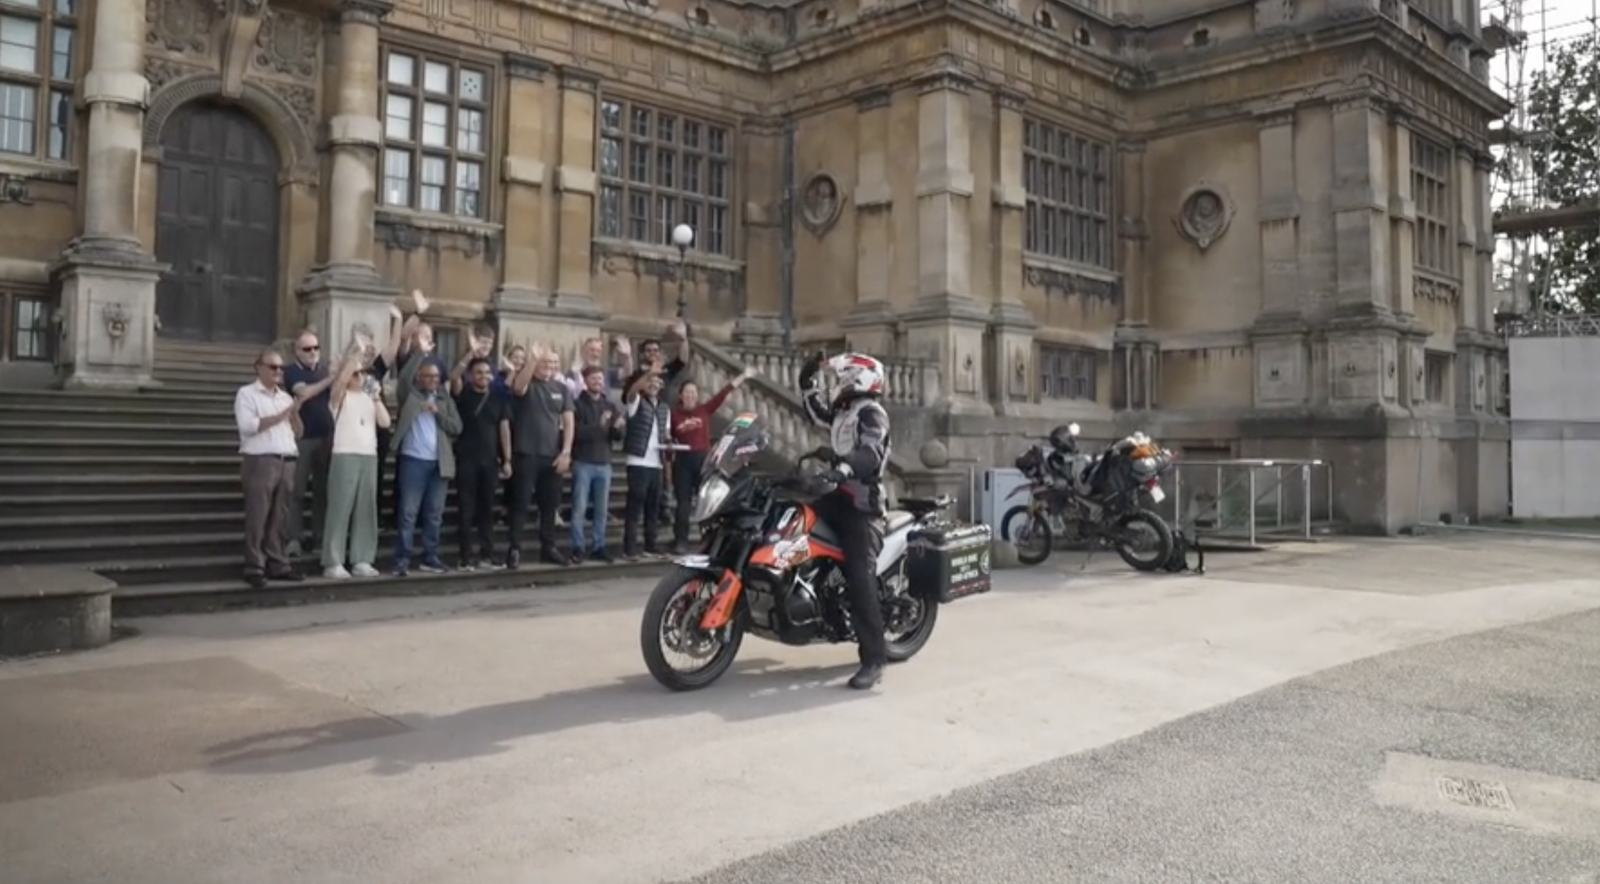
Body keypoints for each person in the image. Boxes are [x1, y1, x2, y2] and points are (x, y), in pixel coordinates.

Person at [799, 351, 893, 691]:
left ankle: (874, 658)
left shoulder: (872, 413)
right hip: (836, 498)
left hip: (862, 505)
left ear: (859, 378)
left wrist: (841, 470)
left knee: (859, 577)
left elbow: (870, 453)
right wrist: (807, 381)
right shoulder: (845, 412)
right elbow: (817, 415)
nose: (837, 383)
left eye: (842, 377)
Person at [234, 348, 304, 589]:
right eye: (273, 367)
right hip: (260, 460)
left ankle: (278, 563)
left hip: (287, 459)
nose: (278, 372)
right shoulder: (247, 394)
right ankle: (254, 565)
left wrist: (295, 415)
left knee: (280, 516)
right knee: (258, 515)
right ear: (259, 368)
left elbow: (298, 432)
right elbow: (248, 426)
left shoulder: (285, 397)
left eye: (281, 368)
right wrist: (280, 415)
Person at [391, 354, 463, 576]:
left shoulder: (444, 399)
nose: (433, 380)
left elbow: (457, 427)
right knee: (408, 512)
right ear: (419, 378)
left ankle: (430, 556)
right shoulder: (410, 396)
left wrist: (437, 412)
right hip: (413, 461)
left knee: (434, 513)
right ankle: (402, 558)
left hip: (439, 463)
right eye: (428, 376)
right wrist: (419, 353)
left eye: (436, 376)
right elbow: (404, 378)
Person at [321, 355, 390, 579]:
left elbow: (385, 422)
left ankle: (362, 558)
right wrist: (352, 359)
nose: (360, 377)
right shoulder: (340, 396)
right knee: (340, 507)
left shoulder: (369, 398)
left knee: (366, 508)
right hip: (345, 453)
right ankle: (333, 560)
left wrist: (376, 397)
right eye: (356, 373)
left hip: (368, 454)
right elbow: (338, 385)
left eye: (362, 373)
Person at [507, 342, 575, 568]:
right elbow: (518, 388)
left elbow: (569, 421)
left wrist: (566, 452)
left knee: (550, 505)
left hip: (551, 455)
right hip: (526, 453)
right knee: (520, 503)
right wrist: (533, 360)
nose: (550, 366)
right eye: (545, 361)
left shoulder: (561, 389)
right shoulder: (528, 382)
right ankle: (515, 548)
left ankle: (548, 547)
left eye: (554, 362)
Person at [668, 370, 752, 552]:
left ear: (697, 395)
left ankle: (708, 540)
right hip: (682, 462)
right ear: (681, 395)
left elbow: (723, 394)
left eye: (693, 392)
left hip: (703, 460)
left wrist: (743, 376)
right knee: (683, 503)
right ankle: (680, 541)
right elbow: (668, 438)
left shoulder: (704, 410)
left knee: (707, 501)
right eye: (687, 392)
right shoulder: (674, 415)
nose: (690, 395)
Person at [452, 350, 513, 570]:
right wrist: (469, 355)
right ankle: (465, 557)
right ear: (471, 375)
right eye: (478, 372)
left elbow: (504, 428)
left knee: (487, 509)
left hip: (489, 460)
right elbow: (453, 377)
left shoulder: (498, 398)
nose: (483, 376)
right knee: (466, 509)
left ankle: (487, 555)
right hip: (466, 459)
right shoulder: (463, 394)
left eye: (487, 372)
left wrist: (507, 459)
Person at [283, 329, 336, 557]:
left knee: (322, 492)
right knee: (296, 491)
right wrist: (331, 378)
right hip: (301, 440)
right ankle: (293, 538)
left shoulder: (323, 371)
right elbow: (303, 393)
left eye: (316, 347)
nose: (313, 352)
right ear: (297, 351)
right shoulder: (291, 371)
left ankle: (319, 538)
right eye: (307, 349)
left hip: (326, 438)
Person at [570, 364, 625, 562]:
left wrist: (617, 428)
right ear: (585, 381)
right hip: (583, 462)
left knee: (601, 510)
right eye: (593, 378)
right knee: (579, 508)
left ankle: (598, 545)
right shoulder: (577, 404)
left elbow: (616, 437)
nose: (597, 382)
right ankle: (577, 546)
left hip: (604, 462)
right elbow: (575, 433)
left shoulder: (609, 405)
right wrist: (599, 426)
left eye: (600, 379)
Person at [621, 360, 670, 560]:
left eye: (657, 382)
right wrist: (649, 373)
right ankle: (629, 547)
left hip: (656, 463)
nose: (653, 385)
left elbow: (666, 433)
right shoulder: (636, 401)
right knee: (635, 506)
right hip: (638, 461)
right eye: (650, 382)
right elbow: (632, 391)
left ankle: (651, 544)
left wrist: (670, 443)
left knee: (653, 506)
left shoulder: (665, 408)